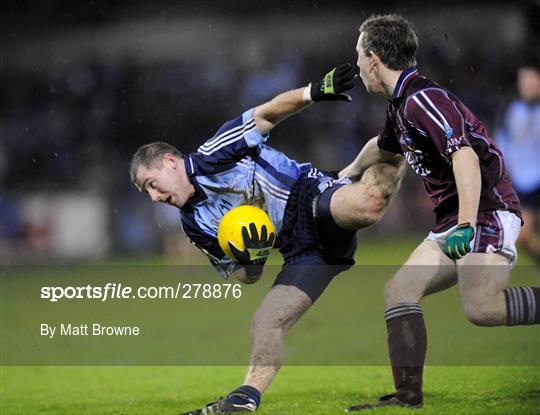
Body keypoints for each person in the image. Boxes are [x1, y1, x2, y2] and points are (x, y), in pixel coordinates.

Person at [130, 64, 405, 414]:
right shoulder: (194, 224)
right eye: (146, 192)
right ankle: (245, 399)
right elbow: (246, 277)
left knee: (368, 205)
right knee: (265, 322)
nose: (154, 197)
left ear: (170, 162)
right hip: (300, 251)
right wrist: (250, 258)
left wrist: (313, 92)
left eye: (151, 184)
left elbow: (267, 113)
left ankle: (399, 146)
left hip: (308, 198)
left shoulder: (214, 152)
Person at [341, 14, 540, 412]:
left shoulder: (422, 100)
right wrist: (343, 175)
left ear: (375, 59)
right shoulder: (401, 107)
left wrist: (466, 225)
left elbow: (464, 155)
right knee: (399, 292)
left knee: (481, 308)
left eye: (359, 54)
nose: (358, 63)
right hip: (456, 219)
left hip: (484, 211)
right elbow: (381, 147)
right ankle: (407, 396)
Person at [495, 63, 540, 263]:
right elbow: (502, 141)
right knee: (523, 236)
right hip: (526, 181)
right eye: (524, 81)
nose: (528, 85)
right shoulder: (511, 111)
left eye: (532, 80)